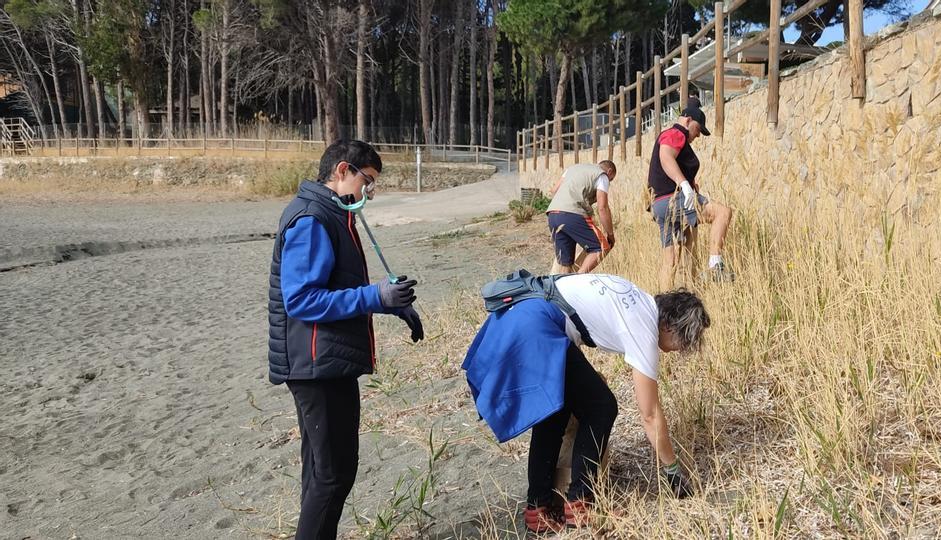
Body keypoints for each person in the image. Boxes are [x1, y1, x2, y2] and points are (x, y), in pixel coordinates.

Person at [461, 274, 709, 533]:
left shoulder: (634, 296)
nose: (682, 349)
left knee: (557, 410)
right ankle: (581, 503)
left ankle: (538, 509)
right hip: (537, 326)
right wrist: (672, 472)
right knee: (602, 407)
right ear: (670, 325)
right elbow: (650, 415)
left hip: (522, 317)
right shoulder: (643, 324)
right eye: (685, 340)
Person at [266, 140, 424, 540]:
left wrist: (391, 304)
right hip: (316, 366)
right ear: (341, 171)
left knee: (322, 474)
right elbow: (301, 299)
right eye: (366, 182)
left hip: (324, 362)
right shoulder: (312, 218)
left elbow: (336, 289)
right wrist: (375, 296)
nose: (368, 193)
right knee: (334, 475)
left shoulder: (333, 214)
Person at [648, 105, 735, 290]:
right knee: (723, 213)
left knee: (672, 259)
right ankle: (715, 266)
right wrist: (685, 185)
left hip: (659, 205)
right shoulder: (676, 133)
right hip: (677, 199)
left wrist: (689, 182)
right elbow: (666, 156)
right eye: (698, 129)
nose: (698, 135)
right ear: (687, 120)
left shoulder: (676, 137)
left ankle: (665, 303)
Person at [546, 161, 618, 274]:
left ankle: (563, 288)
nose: (609, 182)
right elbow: (602, 208)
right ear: (609, 171)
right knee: (603, 247)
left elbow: (554, 190)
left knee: (566, 264)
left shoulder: (572, 168)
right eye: (611, 179)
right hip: (572, 215)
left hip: (553, 214)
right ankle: (579, 279)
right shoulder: (602, 176)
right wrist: (610, 235)